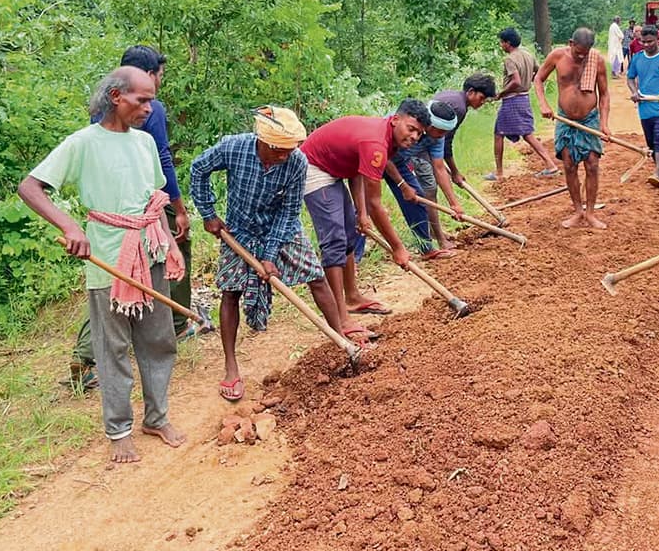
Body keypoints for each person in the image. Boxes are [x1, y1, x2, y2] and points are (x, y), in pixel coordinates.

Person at [19, 67, 187, 464]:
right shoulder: (83, 143)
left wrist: (167, 243)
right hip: (108, 257)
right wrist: (69, 224)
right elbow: (30, 187)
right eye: (141, 100)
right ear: (116, 96)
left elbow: (154, 197)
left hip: (151, 250)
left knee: (159, 338)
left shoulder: (145, 143)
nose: (149, 107)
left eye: (151, 100)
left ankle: (157, 417)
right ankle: (119, 429)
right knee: (111, 347)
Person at [190, 107, 365, 402]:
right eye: (280, 151)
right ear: (264, 143)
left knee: (316, 278)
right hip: (240, 230)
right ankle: (231, 366)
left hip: (282, 229)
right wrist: (208, 214)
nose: (286, 156)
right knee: (230, 291)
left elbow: (288, 211)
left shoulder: (297, 162)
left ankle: (339, 340)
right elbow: (198, 169)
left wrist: (270, 255)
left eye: (290, 150)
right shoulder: (234, 147)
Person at [70, 45, 196, 392]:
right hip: (142, 207)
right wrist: (179, 208)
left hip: (114, 211)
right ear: (149, 74)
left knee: (112, 284)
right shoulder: (144, 108)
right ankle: (176, 322)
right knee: (164, 260)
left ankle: (85, 356)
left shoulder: (104, 105)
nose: (148, 104)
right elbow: (163, 160)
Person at [301, 101, 427, 319]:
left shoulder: (385, 137)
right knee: (335, 241)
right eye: (411, 128)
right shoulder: (376, 142)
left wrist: (361, 213)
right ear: (396, 120)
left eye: (419, 133)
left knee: (349, 233)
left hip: (334, 169)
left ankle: (352, 298)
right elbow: (376, 204)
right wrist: (397, 247)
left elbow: (357, 171)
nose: (415, 137)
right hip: (313, 167)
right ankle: (341, 318)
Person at [534, 26, 612, 229]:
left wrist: (604, 123)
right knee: (569, 164)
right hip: (565, 119)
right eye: (578, 52)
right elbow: (538, 79)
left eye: (585, 54)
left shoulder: (596, 60)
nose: (581, 57)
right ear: (571, 44)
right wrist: (543, 104)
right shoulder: (557, 56)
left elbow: (604, 94)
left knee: (592, 164)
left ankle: (591, 213)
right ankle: (578, 211)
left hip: (589, 119)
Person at [385, 99, 465, 259]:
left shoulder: (436, 137)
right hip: (378, 157)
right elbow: (384, 157)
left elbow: (439, 168)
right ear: (430, 126)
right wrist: (402, 184)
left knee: (418, 200)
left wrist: (454, 203)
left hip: (399, 162)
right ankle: (355, 257)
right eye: (440, 132)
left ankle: (426, 248)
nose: (442, 137)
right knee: (364, 208)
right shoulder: (403, 126)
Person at [492, 28, 558, 180]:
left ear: (508, 43)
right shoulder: (528, 55)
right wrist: (530, 81)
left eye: (502, 42)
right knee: (526, 133)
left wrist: (501, 94)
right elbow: (540, 72)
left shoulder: (510, 59)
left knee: (500, 134)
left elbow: (515, 81)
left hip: (511, 100)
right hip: (524, 98)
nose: (501, 45)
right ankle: (550, 164)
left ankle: (500, 173)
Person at [432, 73, 497, 188]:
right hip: (422, 143)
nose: (482, 102)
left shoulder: (451, 95)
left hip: (424, 140)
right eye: (481, 98)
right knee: (431, 184)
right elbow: (446, 142)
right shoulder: (459, 108)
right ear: (471, 92)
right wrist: (455, 172)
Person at [626, 26, 659, 174]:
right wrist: (634, 92)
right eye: (643, 41)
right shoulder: (638, 58)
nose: (646, 45)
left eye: (650, 41)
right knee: (651, 141)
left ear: (658, 40)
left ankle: (657, 172)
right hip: (644, 106)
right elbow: (630, 78)